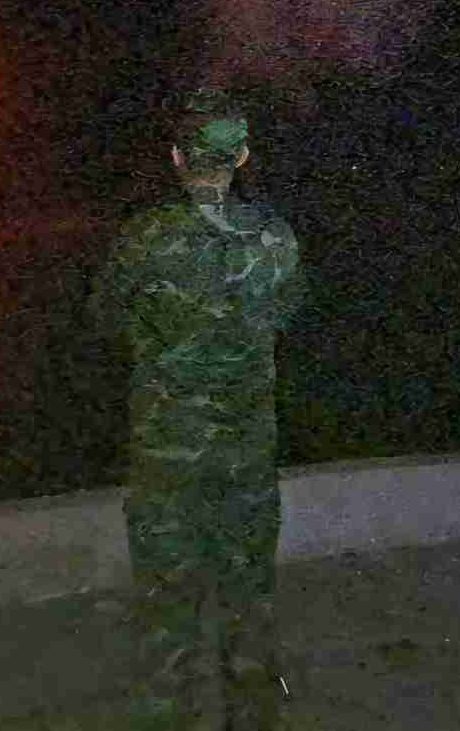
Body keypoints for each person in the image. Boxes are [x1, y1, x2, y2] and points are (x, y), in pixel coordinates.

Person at [91, 89, 305, 731]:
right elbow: (288, 313)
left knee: (166, 608)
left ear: (177, 157)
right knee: (249, 600)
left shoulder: (144, 238)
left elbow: (104, 318)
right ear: (241, 154)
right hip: (246, 452)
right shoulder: (274, 237)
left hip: (167, 455)